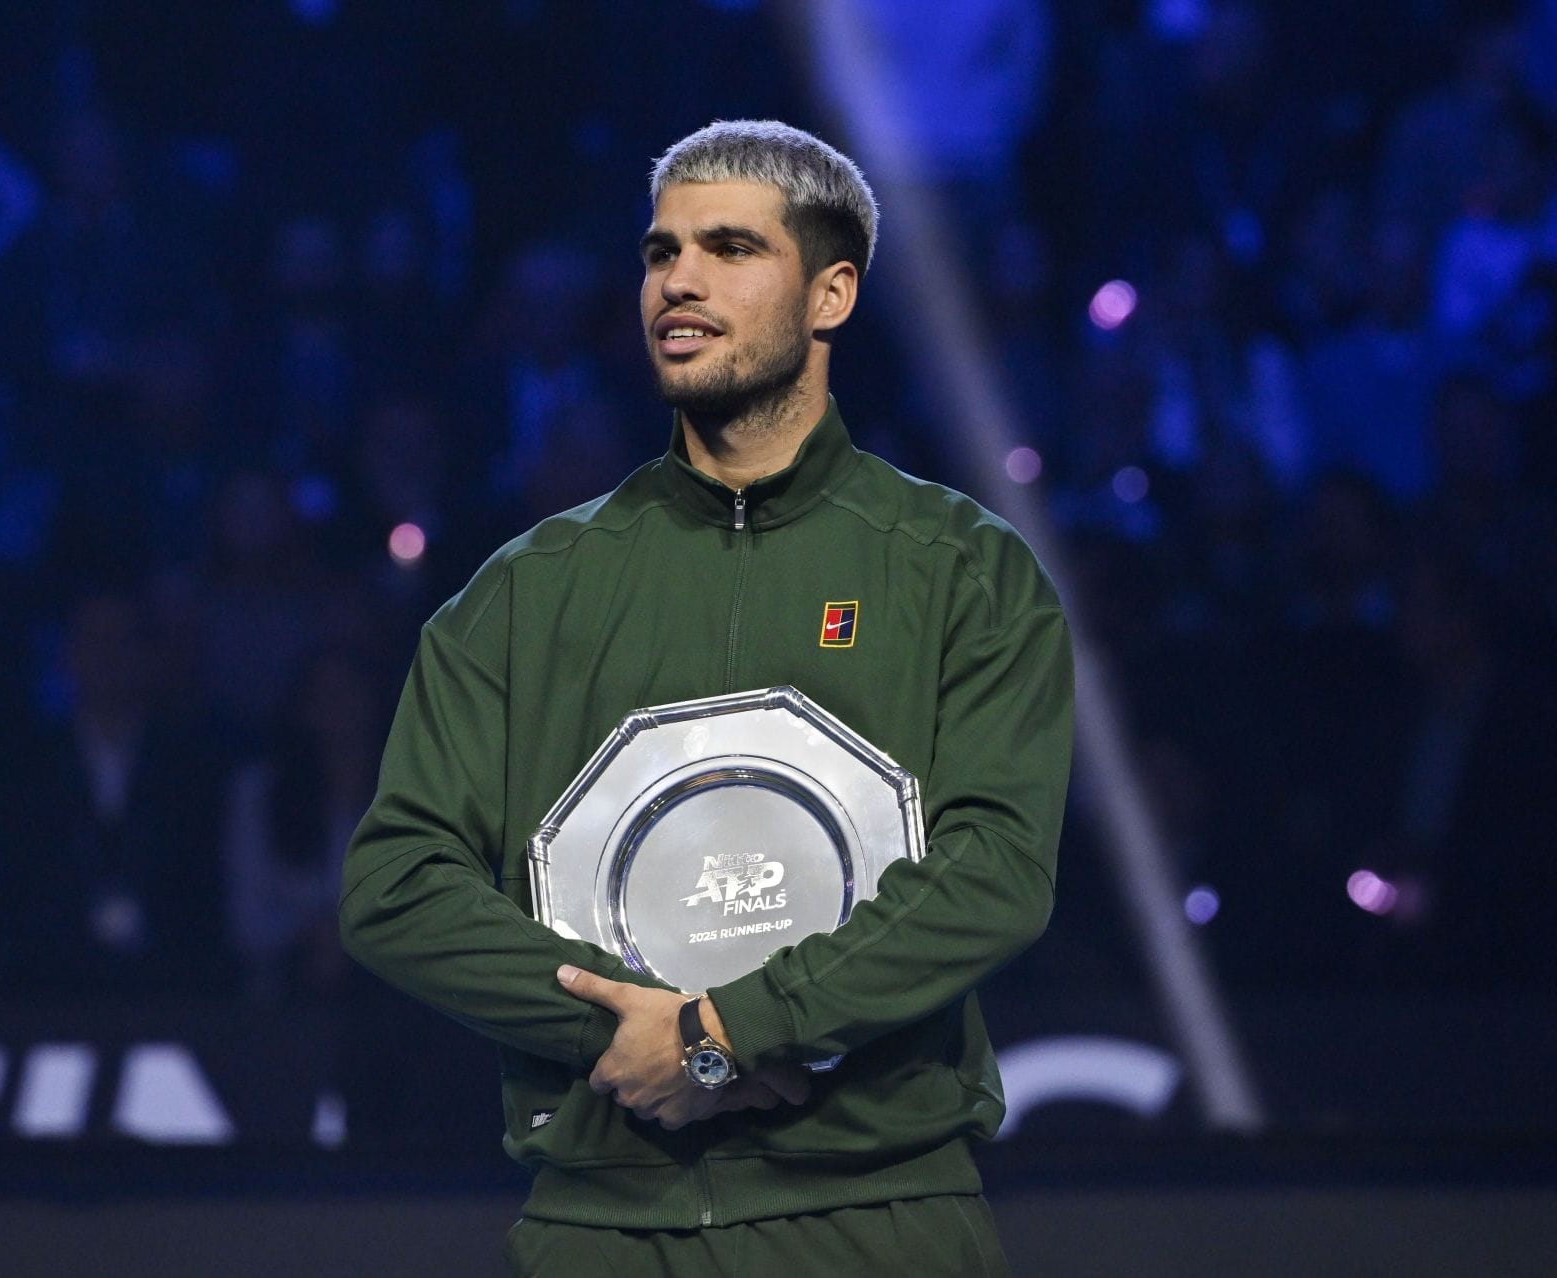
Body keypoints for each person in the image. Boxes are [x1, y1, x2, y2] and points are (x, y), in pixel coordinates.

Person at [339, 120, 1073, 1276]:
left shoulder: (962, 571)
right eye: (659, 252)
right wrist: (634, 1032)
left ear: (831, 294)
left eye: (729, 248)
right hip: (603, 1228)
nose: (677, 280)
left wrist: (726, 1031)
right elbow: (397, 885)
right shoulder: (524, 594)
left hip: (877, 1216)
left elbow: (995, 874)